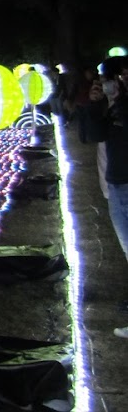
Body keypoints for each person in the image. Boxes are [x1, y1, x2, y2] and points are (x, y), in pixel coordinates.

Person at [83, 56, 128, 338]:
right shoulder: (114, 107)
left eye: (118, 77)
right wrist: (94, 104)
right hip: (117, 184)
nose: (113, 84)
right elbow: (93, 135)